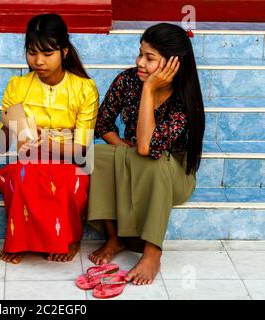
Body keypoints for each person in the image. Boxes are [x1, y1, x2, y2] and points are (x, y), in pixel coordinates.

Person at [86, 23, 205, 285]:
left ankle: (152, 251)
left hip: (172, 172)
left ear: (174, 63)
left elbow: (148, 148)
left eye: (150, 58)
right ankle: (114, 238)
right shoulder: (127, 80)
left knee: (154, 160)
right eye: (140, 53)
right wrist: (120, 147)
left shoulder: (185, 100)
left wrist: (149, 90)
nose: (140, 62)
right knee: (98, 155)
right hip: (136, 159)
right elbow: (103, 125)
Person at [0, 13, 99, 264]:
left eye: (47, 53)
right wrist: (9, 128)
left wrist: (49, 144)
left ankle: (68, 238)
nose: (38, 61)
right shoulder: (17, 85)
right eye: (32, 52)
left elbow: (82, 151)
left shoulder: (84, 89)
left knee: (66, 178)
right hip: (30, 158)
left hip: (69, 159)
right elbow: (2, 143)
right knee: (22, 175)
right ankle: (19, 240)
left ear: (64, 51)